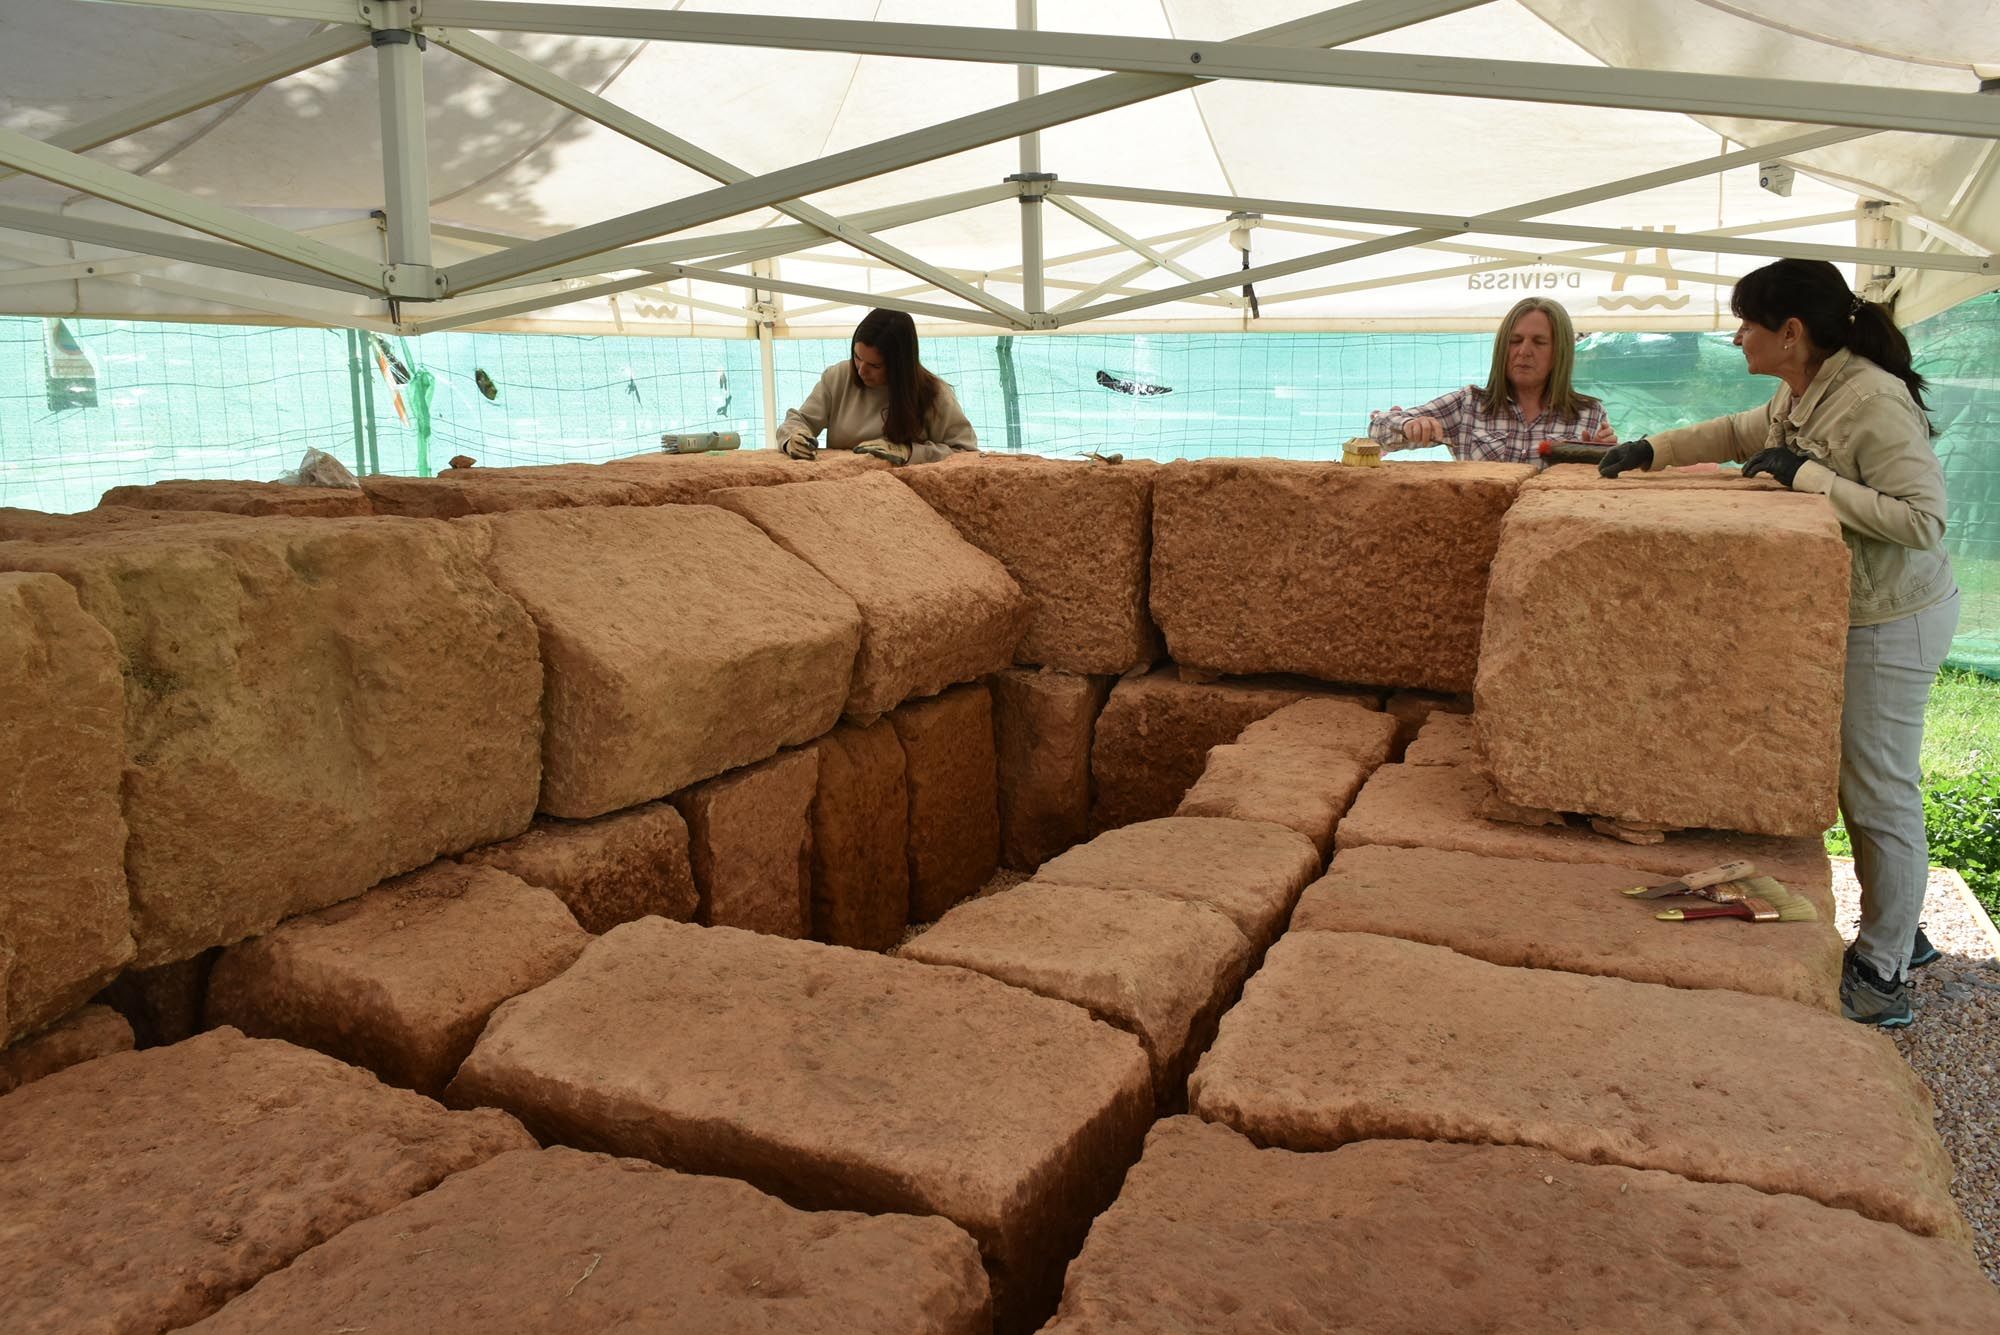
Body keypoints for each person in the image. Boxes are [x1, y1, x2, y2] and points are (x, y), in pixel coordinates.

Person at [1598, 258, 1959, 1029]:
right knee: (1856, 781)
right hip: (1849, 611)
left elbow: (1926, 520)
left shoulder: (1869, 399)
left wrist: (1808, 479)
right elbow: (1738, 432)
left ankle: (1884, 970)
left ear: (1789, 333)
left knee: (1879, 792)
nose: (1736, 338)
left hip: (1894, 616)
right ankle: (1905, 929)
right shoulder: (1807, 386)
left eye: (1747, 325)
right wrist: (1649, 451)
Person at [1367, 297, 1616, 462]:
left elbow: (1600, 488)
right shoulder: (1468, 405)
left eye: (1539, 342)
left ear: (1559, 352)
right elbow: (1377, 431)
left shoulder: (1589, 414)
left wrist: (1600, 455)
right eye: (1515, 341)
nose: (1524, 351)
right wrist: (1410, 425)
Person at [778, 308, 978, 465]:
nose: (861, 370)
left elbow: (966, 452)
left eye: (875, 365)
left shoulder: (934, 394)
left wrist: (911, 452)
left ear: (900, 365)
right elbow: (799, 419)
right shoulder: (838, 376)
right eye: (857, 357)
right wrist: (794, 437)